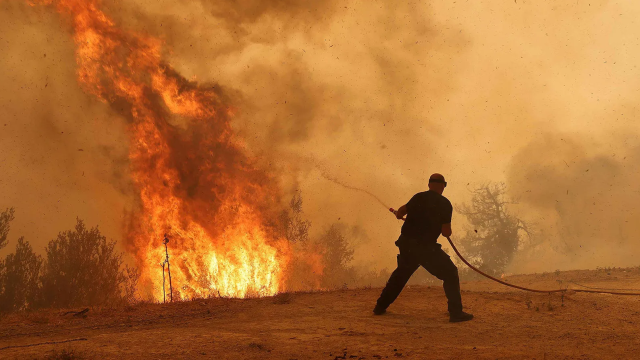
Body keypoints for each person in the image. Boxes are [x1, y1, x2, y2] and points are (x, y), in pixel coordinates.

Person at [373, 173, 473, 323]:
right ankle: (456, 313)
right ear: (442, 186)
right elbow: (446, 232)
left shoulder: (418, 197)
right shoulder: (445, 204)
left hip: (407, 244)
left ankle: (380, 307)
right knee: (450, 273)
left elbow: (401, 211)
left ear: (429, 185)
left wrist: (399, 215)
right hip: (426, 248)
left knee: (401, 274)